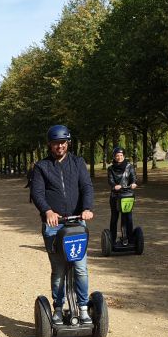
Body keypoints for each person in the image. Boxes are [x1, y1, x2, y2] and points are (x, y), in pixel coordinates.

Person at [30, 124, 95, 325]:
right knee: (58, 269)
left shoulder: (77, 163)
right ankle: (58, 308)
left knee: (80, 268)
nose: (60, 146)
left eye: (63, 143)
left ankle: (83, 308)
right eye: (56, 143)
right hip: (54, 225)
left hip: (76, 222)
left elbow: (86, 187)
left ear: (68, 143)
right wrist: (47, 211)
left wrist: (87, 208)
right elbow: (37, 193)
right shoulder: (42, 167)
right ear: (50, 145)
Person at [107, 146, 138, 245]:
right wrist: (114, 185)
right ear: (114, 157)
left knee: (128, 217)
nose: (119, 157)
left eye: (121, 155)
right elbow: (110, 180)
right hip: (115, 196)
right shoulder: (111, 168)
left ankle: (128, 238)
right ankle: (112, 239)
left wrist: (133, 183)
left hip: (127, 195)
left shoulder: (129, 167)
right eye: (117, 155)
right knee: (114, 218)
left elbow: (133, 177)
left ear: (124, 156)